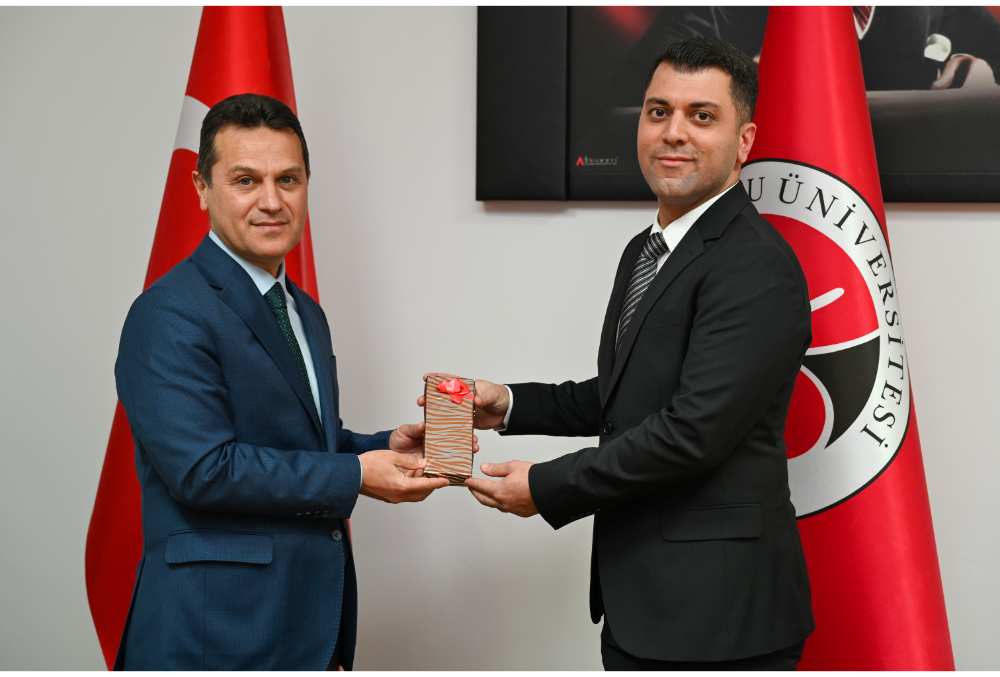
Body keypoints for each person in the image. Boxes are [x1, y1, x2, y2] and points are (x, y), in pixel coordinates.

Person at [455, 38, 815, 669]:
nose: (674, 132)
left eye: (702, 116)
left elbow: (691, 433)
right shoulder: (646, 250)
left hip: (719, 620)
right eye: (658, 112)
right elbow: (628, 395)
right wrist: (508, 405)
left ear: (745, 141)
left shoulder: (755, 265)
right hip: (644, 603)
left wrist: (546, 485)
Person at [113, 93, 457, 670]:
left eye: (288, 180)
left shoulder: (303, 311)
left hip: (304, 626)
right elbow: (204, 470)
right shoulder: (168, 312)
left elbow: (301, 443)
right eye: (246, 180)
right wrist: (356, 474)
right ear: (202, 188)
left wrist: (383, 447)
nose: (272, 201)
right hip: (214, 633)